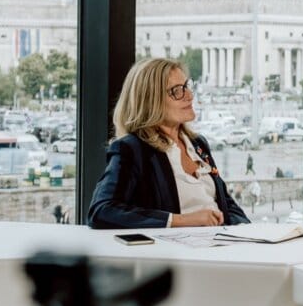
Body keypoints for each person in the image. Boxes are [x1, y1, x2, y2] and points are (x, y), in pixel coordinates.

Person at [88, 57, 250, 229]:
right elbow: (102, 211)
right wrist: (183, 220)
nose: (189, 95)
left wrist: (251, 234)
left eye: (187, 86)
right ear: (150, 101)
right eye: (177, 90)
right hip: (177, 251)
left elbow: (227, 205)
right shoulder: (132, 149)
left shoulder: (198, 144)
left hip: (220, 246)